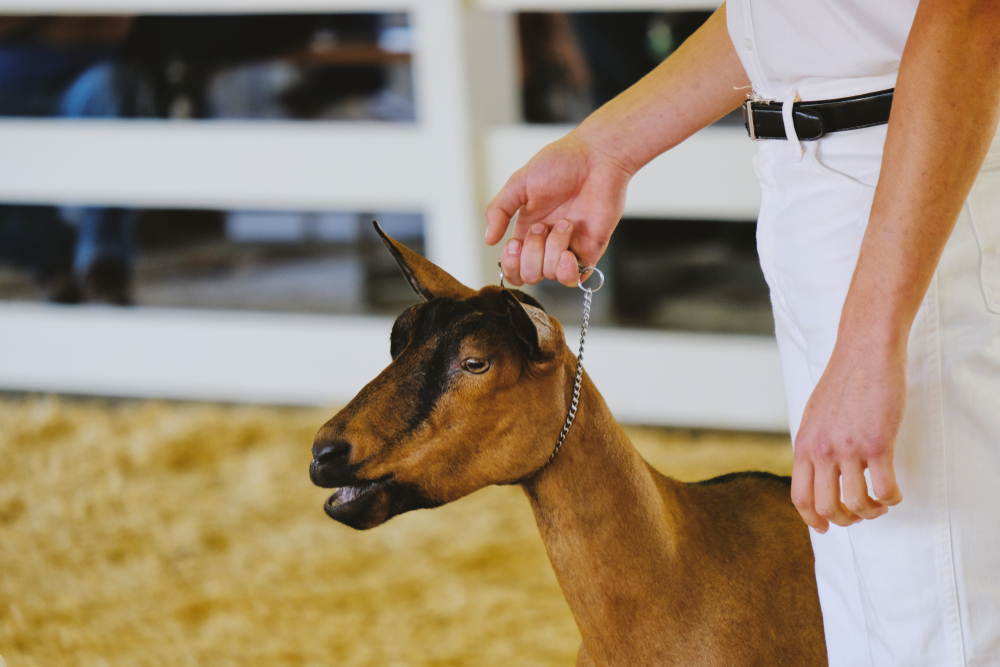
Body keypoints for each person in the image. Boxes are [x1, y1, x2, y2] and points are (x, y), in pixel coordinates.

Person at [485, 1, 1000, 665]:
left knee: (936, 622)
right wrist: (608, 146)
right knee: (868, 612)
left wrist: (870, 344)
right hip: (815, 172)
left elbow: (969, 13)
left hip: (908, 176)